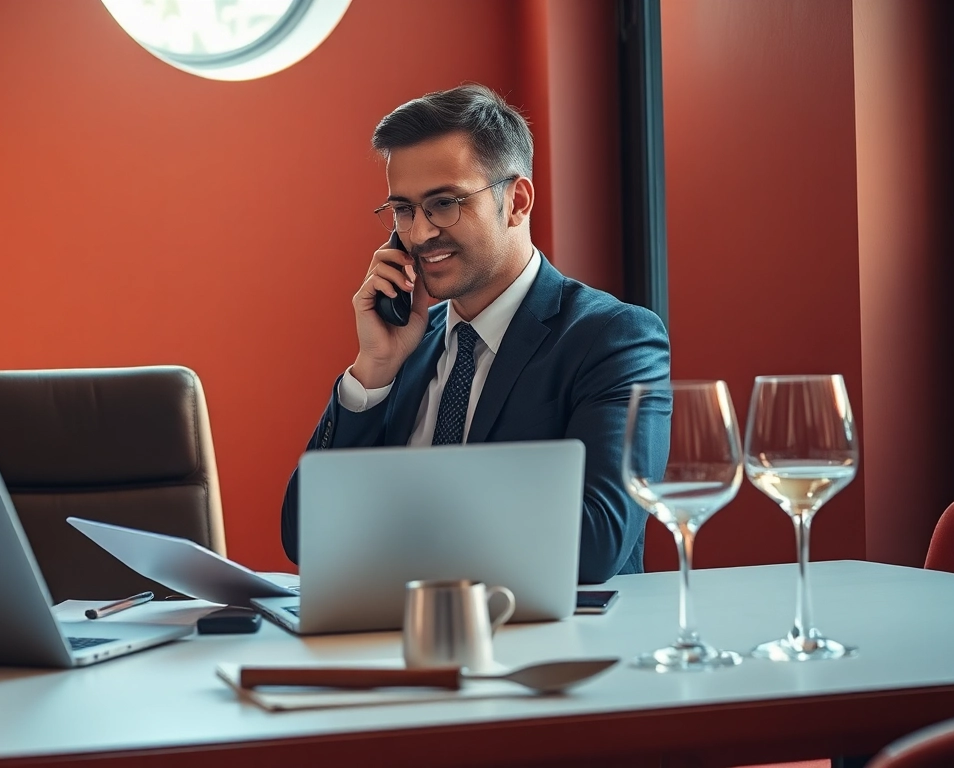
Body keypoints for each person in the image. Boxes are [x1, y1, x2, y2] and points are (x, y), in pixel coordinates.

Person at [279, 84, 670, 584]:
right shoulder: (404, 347)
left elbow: (594, 543)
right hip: (388, 642)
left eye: (444, 203)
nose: (419, 234)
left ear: (517, 201)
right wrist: (372, 372)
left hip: (545, 646)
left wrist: (395, 512)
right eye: (403, 209)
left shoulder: (613, 338)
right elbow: (306, 539)